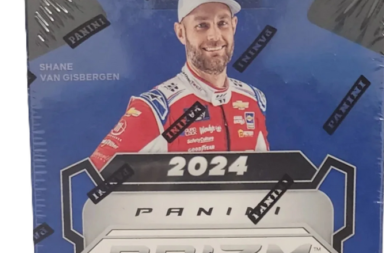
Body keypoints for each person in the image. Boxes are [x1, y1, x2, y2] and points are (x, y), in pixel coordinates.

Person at [91, 0, 270, 170]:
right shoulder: (157, 108)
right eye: (202, 25)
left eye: (222, 23)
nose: (215, 36)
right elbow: (95, 174)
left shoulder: (253, 99)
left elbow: (265, 175)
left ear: (234, 26)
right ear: (181, 33)